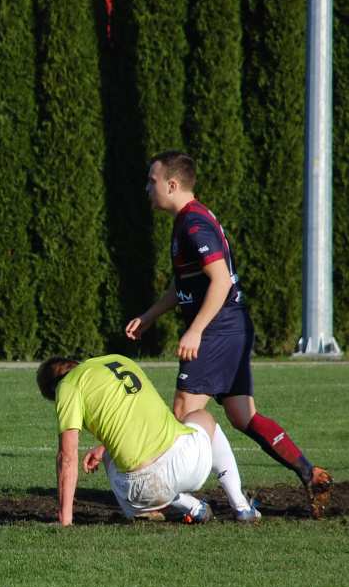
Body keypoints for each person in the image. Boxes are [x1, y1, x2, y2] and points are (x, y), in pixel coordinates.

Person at [125, 150, 333, 518]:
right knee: (242, 415)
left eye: (151, 181)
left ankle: (186, 502)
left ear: (172, 185)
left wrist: (196, 330)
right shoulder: (187, 222)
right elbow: (185, 285)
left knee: (184, 414)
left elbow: (220, 280)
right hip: (230, 326)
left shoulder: (193, 225)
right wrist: (149, 316)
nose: (147, 188)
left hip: (219, 329)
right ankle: (308, 472)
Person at [37, 354, 261, 526]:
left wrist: (64, 518)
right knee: (202, 417)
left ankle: (190, 507)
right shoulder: (118, 359)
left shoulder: (67, 387)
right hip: (188, 465)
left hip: (138, 492)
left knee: (115, 459)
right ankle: (241, 506)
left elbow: (67, 457)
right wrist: (104, 447)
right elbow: (142, 414)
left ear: (52, 389)